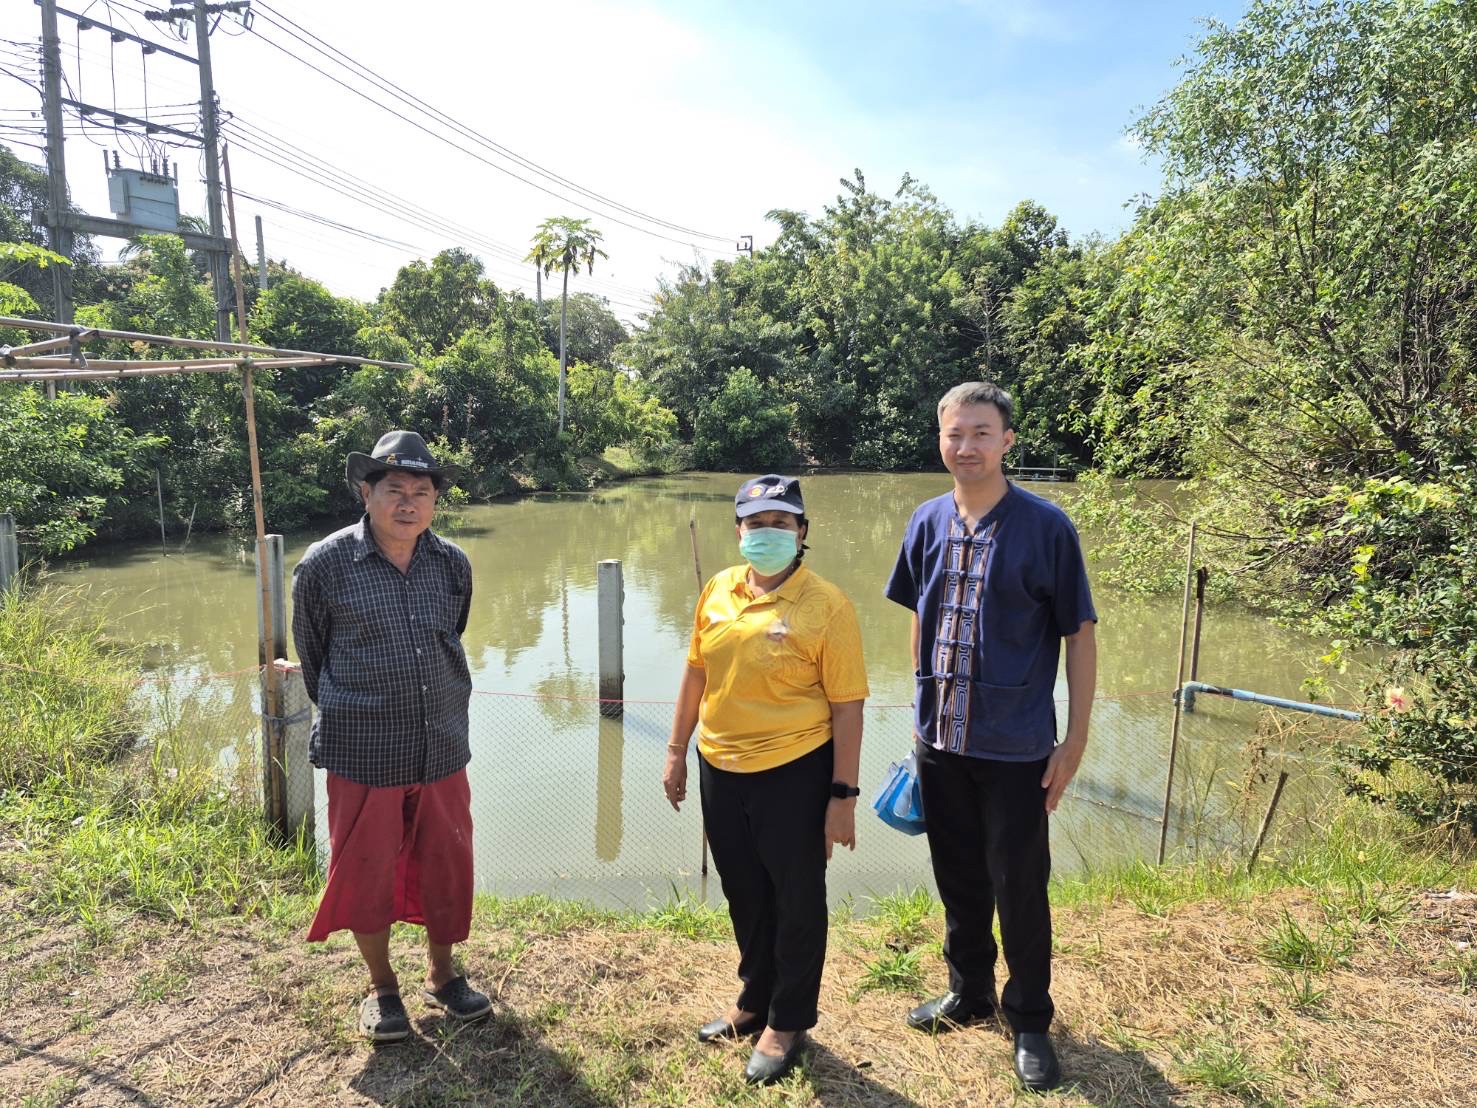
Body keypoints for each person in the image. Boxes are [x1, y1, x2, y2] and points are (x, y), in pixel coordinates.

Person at [884, 383, 1097, 1093]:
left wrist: (1073, 739)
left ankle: (1029, 1018)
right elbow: (917, 610)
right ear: (938, 439)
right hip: (939, 740)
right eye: (953, 433)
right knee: (958, 877)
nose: (965, 446)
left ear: (1007, 440)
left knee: (1019, 884)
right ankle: (968, 992)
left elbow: (1079, 634)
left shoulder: (1045, 527)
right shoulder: (924, 520)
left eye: (981, 432)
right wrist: (918, 705)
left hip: (1015, 746)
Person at [663, 475, 869, 1086]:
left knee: (797, 896)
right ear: (739, 531)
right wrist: (677, 752)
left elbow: (848, 707)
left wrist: (843, 796)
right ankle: (754, 999)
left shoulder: (826, 605)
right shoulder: (718, 590)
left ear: (803, 533)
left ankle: (789, 1019)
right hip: (719, 765)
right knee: (745, 890)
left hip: (795, 771)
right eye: (756, 524)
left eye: (781, 524)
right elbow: (696, 674)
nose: (767, 534)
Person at [292, 429, 492, 1043]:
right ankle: (383, 990)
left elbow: (451, 635)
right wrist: (358, 706)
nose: (409, 502)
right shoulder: (324, 565)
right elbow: (313, 653)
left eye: (422, 491)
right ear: (365, 492)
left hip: (441, 746)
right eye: (395, 489)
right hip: (362, 749)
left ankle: (443, 974)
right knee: (366, 872)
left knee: (447, 863)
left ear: (435, 501)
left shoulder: (452, 563)